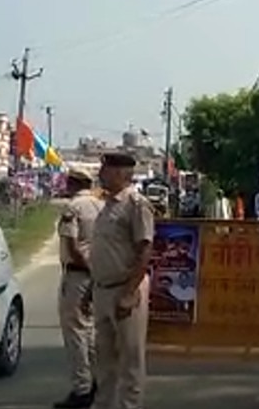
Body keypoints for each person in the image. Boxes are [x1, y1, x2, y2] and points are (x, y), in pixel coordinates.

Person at [89, 152, 154, 409]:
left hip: (126, 290)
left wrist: (129, 292)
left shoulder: (136, 204)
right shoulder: (108, 204)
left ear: (119, 173)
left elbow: (145, 250)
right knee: (103, 359)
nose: (100, 174)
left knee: (130, 359)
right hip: (103, 289)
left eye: (105, 169)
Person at [55, 170, 104, 409]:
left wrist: (88, 269)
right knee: (92, 330)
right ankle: (99, 381)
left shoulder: (73, 208)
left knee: (75, 333)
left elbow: (72, 246)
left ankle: (82, 389)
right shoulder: (100, 206)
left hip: (77, 274)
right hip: (99, 275)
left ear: (74, 183)